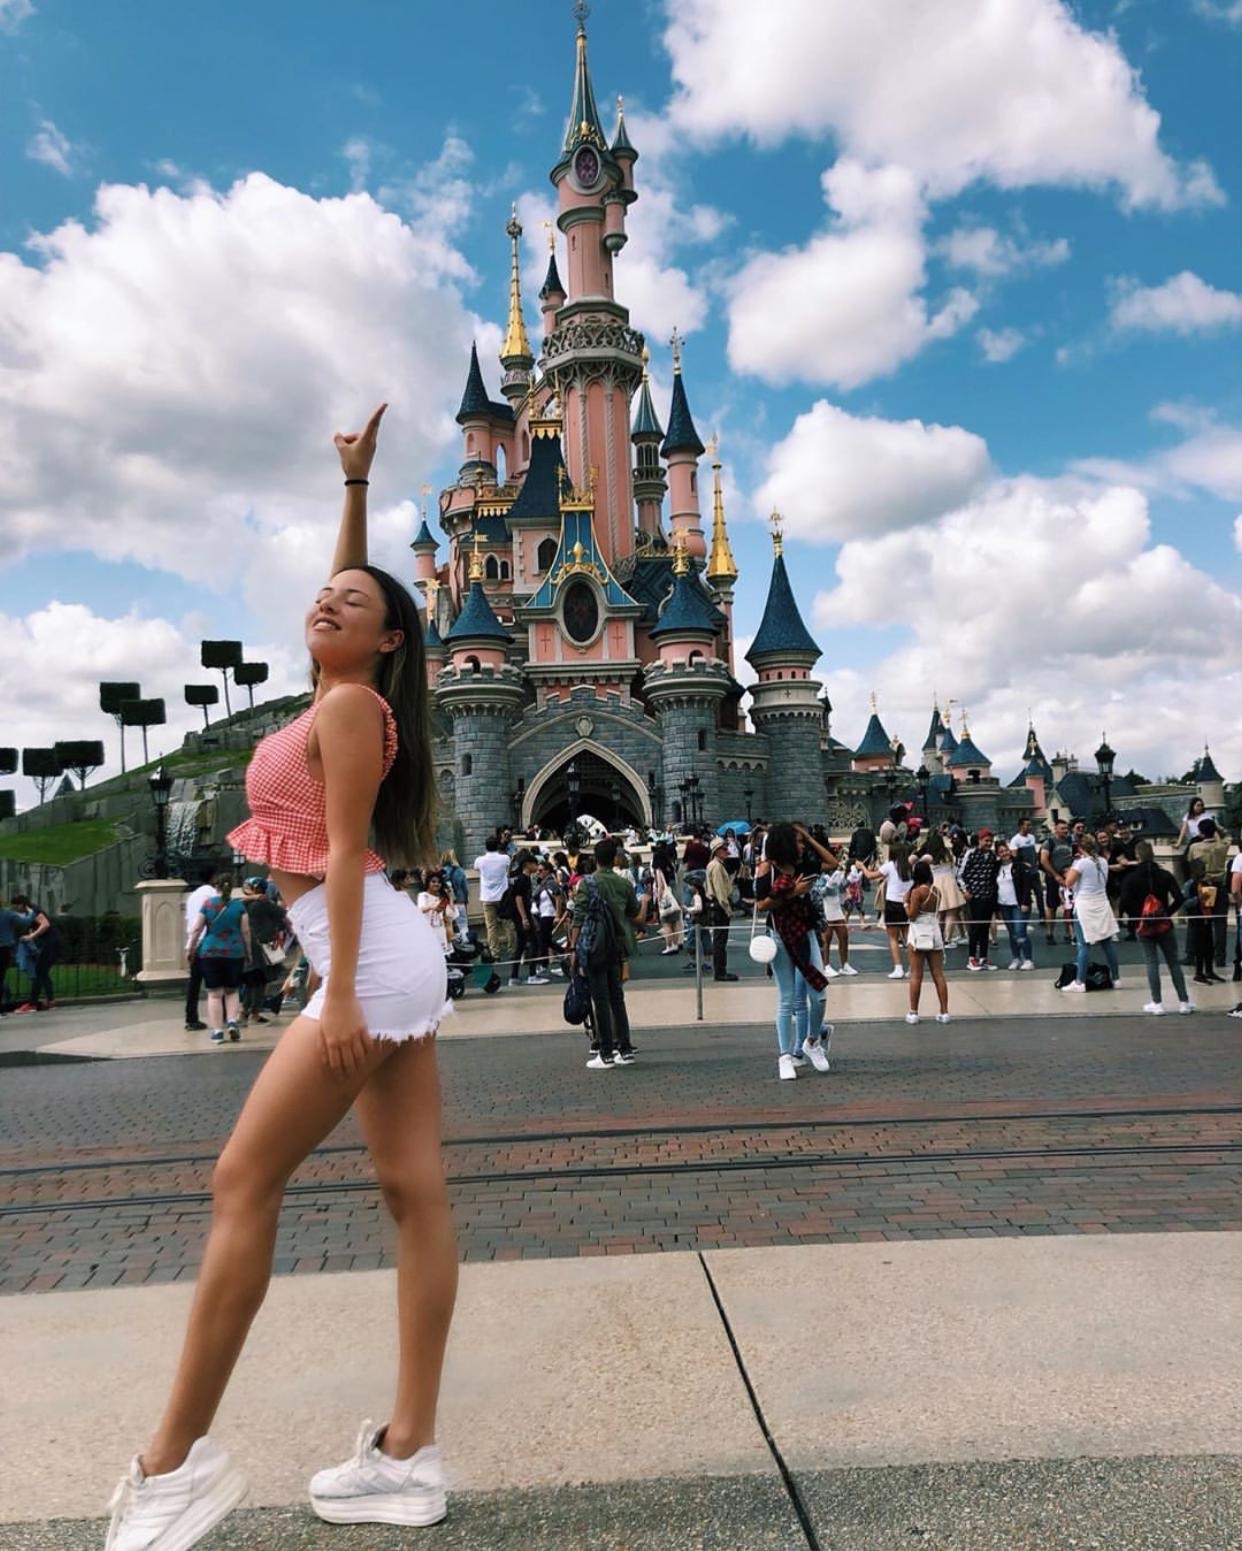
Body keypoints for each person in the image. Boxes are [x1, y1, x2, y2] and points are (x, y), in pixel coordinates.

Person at [105, 405, 456, 1550]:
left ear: (388, 640)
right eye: (323, 595)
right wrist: (355, 485)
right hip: (390, 960)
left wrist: (338, 993)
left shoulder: (350, 705)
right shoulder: (338, 691)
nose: (327, 601)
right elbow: (352, 591)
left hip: (372, 965)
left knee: (241, 1182)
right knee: (412, 1193)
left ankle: (173, 1467)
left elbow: (346, 853)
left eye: (352, 603)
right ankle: (408, 1456)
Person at [756, 823, 834, 1080]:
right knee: (787, 998)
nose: (802, 846)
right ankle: (784, 1056)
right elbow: (761, 904)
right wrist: (793, 893)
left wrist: (811, 839)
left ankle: (811, 1041)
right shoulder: (768, 869)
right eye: (799, 841)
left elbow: (832, 863)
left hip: (805, 933)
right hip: (780, 935)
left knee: (819, 995)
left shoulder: (803, 866)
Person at [569, 836, 641, 1068]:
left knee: (600, 999)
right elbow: (634, 912)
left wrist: (573, 948)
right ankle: (625, 1050)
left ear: (596, 859)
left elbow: (578, 918)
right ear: (615, 859)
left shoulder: (587, 883)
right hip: (617, 947)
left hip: (595, 947)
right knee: (617, 998)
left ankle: (606, 1052)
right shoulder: (624, 884)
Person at [1119, 841, 1193, 1014]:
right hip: (1164, 924)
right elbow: (1179, 898)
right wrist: (1167, 913)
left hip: (1143, 925)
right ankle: (1184, 1002)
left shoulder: (1131, 878)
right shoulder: (1164, 875)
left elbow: (1124, 902)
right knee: (1173, 962)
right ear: (1153, 855)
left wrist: (1135, 917)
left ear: (1137, 856)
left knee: (1151, 963)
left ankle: (1157, 1003)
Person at [185, 878, 251, 1043]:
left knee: (214, 994)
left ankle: (217, 1032)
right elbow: (245, 931)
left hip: (210, 952)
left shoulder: (208, 904)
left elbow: (197, 929)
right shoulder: (239, 906)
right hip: (234, 952)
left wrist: (191, 948)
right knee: (232, 991)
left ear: (217, 887)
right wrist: (248, 952)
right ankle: (232, 1021)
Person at [1059, 835, 1119, 993]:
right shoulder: (1103, 861)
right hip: (1102, 903)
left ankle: (1080, 982)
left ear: (1080, 848)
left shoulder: (1081, 863)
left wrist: (1074, 865)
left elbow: (1068, 882)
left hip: (1085, 905)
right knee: (1107, 942)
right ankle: (1116, 978)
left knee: (1083, 945)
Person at [858, 842, 912, 979]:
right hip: (907, 903)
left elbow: (870, 876)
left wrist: (862, 867)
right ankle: (913, 967)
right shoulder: (911, 867)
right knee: (908, 937)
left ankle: (898, 968)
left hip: (893, 903)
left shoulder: (889, 866)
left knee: (893, 938)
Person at [904, 860, 950, 1025]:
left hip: (918, 933)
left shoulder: (916, 892)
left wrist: (905, 903)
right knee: (938, 974)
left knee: (916, 975)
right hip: (934, 931)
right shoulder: (936, 891)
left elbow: (912, 915)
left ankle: (913, 1012)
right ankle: (944, 1012)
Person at [238, 878, 288, 1027]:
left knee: (251, 981)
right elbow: (283, 914)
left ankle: (245, 1011)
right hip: (264, 946)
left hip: (248, 946)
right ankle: (253, 1012)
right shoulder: (264, 904)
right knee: (260, 981)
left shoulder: (243, 904)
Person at [1187, 819, 1230, 971]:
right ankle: (1220, 958)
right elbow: (1228, 836)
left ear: (1201, 832)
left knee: (1199, 922)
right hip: (1219, 885)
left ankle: (1193, 954)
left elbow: (1190, 862)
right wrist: (1218, 827)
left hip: (1203, 886)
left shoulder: (1195, 847)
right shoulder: (1222, 845)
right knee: (1220, 923)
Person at [183, 867, 219, 1031]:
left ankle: (191, 1018)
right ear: (213, 877)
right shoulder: (212, 895)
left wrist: (190, 946)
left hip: (194, 942)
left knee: (194, 983)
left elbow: (191, 921)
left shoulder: (193, 896)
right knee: (218, 983)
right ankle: (225, 1016)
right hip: (209, 942)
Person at [812, 852, 856, 975]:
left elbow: (841, 888)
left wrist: (850, 879)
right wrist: (827, 887)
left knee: (844, 936)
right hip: (826, 907)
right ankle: (826, 965)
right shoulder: (818, 876)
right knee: (827, 938)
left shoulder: (836, 873)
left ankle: (845, 965)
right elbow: (817, 892)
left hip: (836, 907)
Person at [994, 841, 1035, 970]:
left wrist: (1025, 902)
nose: (1004, 853)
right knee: (1012, 933)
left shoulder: (1020, 866)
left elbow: (1027, 885)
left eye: (1006, 850)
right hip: (1004, 904)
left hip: (1018, 904)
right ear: (998, 854)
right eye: (1001, 852)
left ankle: (1028, 959)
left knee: (1020, 931)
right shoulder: (996, 867)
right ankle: (1016, 958)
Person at [473, 835, 513, 969]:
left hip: (487, 897)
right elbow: (508, 868)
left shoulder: (479, 860)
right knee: (508, 924)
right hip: (503, 896)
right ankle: (512, 950)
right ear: (497, 846)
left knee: (491, 927)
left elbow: (476, 869)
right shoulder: (505, 858)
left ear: (485, 847)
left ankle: (495, 953)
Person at [11, 896, 56, 1013]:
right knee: (43, 973)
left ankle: (32, 1004)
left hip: (49, 943)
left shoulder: (34, 910)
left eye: (16, 907)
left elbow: (45, 924)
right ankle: (51, 1001)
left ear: (22, 904)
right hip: (50, 943)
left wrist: (31, 936)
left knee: (38, 972)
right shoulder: (30, 912)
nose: (16, 909)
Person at [925, 831, 967, 948]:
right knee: (951, 912)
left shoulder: (929, 856)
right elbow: (953, 865)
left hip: (936, 882)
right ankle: (948, 939)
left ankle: (939, 938)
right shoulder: (947, 853)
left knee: (939, 913)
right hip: (949, 882)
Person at [705, 837, 738, 981]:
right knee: (720, 941)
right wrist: (727, 908)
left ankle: (720, 971)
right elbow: (720, 891)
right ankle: (720, 972)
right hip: (719, 906)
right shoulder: (717, 866)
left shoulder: (714, 865)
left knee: (719, 940)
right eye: (724, 849)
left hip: (715, 905)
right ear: (717, 851)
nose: (727, 851)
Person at [1039, 820, 1075, 945]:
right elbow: (1044, 860)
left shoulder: (1071, 842)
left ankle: (1069, 933)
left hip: (1069, 876)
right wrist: (1056, 875)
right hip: (1053, 877)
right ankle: (1049, 933)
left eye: (1066, 828)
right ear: (1056, 829)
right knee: (1052, 906)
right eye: (1062, 828)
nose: (1065, 830)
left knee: (1069, 906)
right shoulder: (1049, 843)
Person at [0, 896, 34, 1014]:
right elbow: (25, 923)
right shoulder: (8, 914)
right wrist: (30, 913)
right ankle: (2, 1006)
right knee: (1, 976)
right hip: (3, 948)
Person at [416, 870, 458, 956]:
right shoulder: (423, 896)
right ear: (428, 883)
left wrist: (450, 897)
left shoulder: (442, 897)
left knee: (443, 955)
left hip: (441, 931)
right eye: (433, 881)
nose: (436, 884)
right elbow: (420, 910)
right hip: (429, 931)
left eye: (439, 882)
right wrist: (431, 907)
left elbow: (451, 914)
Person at [652, 840, 684, 954]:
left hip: (665, 899)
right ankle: (677, 943)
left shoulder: (659, 870)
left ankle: (669, 945)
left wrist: (659, 899)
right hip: (674, 897)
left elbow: (660, 886)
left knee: (666, 924)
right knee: (675, 922)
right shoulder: (671, 867)